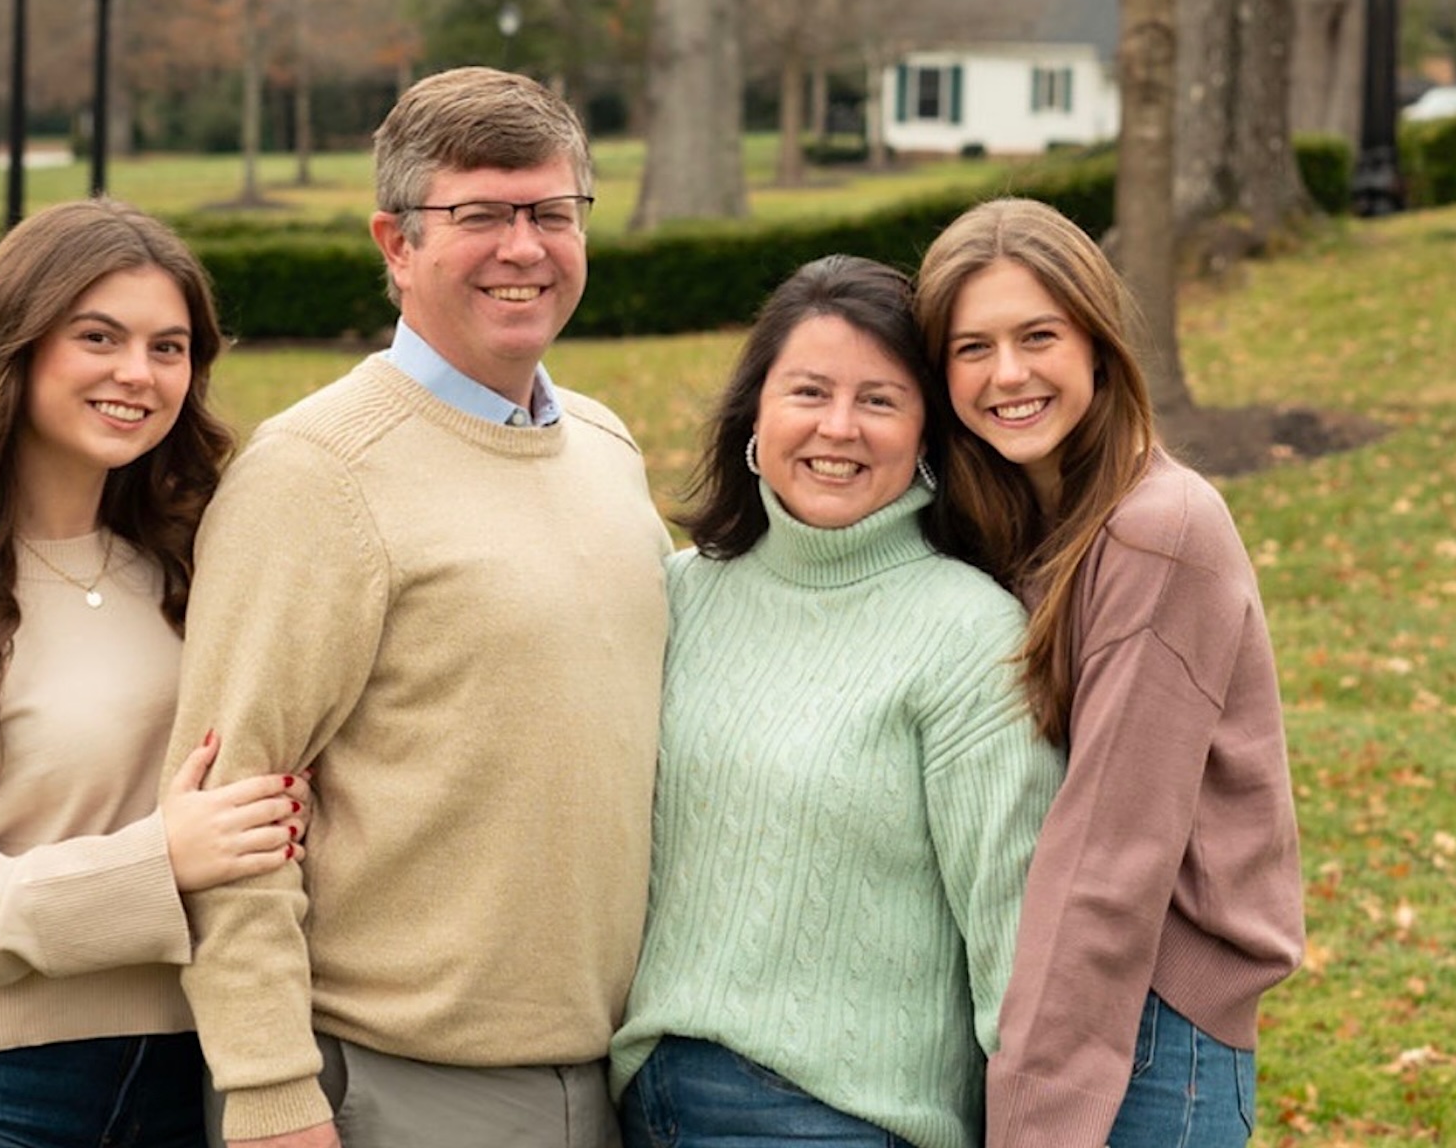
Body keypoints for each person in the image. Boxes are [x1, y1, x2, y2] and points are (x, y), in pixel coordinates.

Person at [158, 66, 671, 1148]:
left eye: (552, 212)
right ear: (396, 243)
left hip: (613, 1079)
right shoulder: (315, 476)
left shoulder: (607, 448)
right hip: (388, 1094)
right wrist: (268, 1099)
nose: (524, 248)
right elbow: (230, 803)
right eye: (479, 215)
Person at [0, 198, 310, 1148]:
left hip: (193, 1074)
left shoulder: (203, 570)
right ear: (18, 350)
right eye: (98, 337)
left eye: (169, 347)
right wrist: (159, 861)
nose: (137, 374)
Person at [609, 255, 1066, 1148]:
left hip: (838, 1117)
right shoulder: (679, 595)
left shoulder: (969, 633)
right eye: (809, 393)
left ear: (928, 433)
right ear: (756, 415)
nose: (839, 428)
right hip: (638, 1099)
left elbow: (1017, 935)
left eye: (880, 401)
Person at [913, 197, 1304, 1148]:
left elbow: (1110, 857)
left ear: (1097, 341)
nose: (1008, 374)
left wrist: (1035, 1120)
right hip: (1053, 1004)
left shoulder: (1156, 531)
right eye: (972, 348)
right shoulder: (1007, 520)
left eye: (1037, 335)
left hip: (1152, 1024)